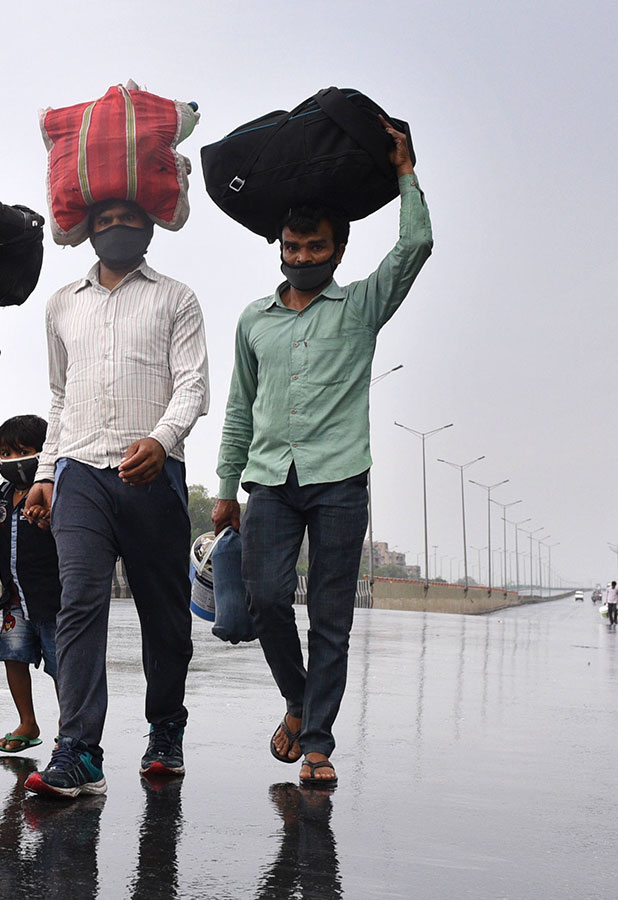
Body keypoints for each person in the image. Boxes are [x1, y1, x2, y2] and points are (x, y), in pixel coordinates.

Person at [213, 119, 429, 788]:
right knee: (268, 598)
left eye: (315, 247)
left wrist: (405, 174)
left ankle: (317, 744)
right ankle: (299, 700)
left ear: (338, 250)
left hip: (339, 483)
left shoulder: (360, 306)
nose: (302, 256)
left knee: (331, 618)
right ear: (278, 248)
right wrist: (225, 486)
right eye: (293, 245)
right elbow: (240, 405)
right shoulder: (255, 319)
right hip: (270, 482)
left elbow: (417, 242)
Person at [21, 197, 210, 798]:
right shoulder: (61, 305)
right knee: (78, 602)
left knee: (164, 611)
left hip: (153, 471)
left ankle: (165, 730)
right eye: (102, 222)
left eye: (126, 220)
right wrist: (46, 474)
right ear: (87, 232)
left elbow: (193, 384)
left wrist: (162, 438)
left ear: (150, 225)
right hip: (80, 471)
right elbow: (58, 396)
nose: (114, 230)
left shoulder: (176, 297)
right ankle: (78, 749)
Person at [0, 415, 62, 755]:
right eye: (4, 452)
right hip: (15, 599)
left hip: (53, 599)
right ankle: (27, 721)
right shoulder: (3, 496)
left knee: (63, 665)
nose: (11, 459)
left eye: (21, 450)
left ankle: (71, 726)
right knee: (13, 657)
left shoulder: (56, 492)